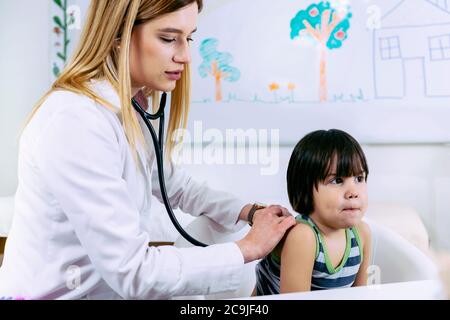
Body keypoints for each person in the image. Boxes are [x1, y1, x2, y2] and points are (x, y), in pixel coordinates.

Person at [0, 0, 296, 300]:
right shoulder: (75, 121)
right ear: (118, 36)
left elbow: (175, 186)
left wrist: (249, 212)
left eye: (188, 38)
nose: (186, 56)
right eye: (169, 39)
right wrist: (247, 249)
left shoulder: (128, 110)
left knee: (216, 229)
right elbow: (134, 272)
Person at [254, 129, 372, 295]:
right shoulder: (304, 237)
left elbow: (360, 296)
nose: (353, 192)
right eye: (337, 180)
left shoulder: (362, 234)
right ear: (305, 190)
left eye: (359, 179)